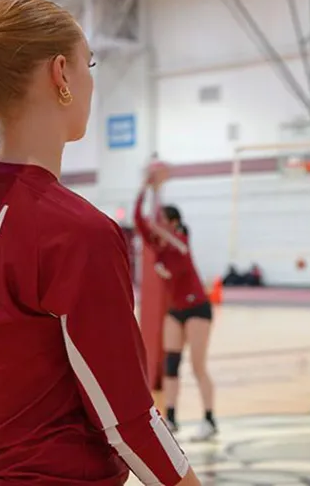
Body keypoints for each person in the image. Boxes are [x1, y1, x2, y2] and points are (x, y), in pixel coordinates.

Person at [0, 0, 199, 486]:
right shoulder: (78, 233)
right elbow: (130, 421)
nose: (91, 80)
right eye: (89, 63)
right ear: (61, 74)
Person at [134, 170, 217, 441]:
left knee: (197, 365)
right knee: (171, 363)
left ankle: (209, 419)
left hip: (198, 308)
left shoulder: (180, 243)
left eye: (162, 221)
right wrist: (145, 188)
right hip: (177, 310)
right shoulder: (159, 247)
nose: (156, 225)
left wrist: (158, 193)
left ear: (174, 223)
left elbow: (165, 234)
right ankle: (170, 418)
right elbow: (139, 218)